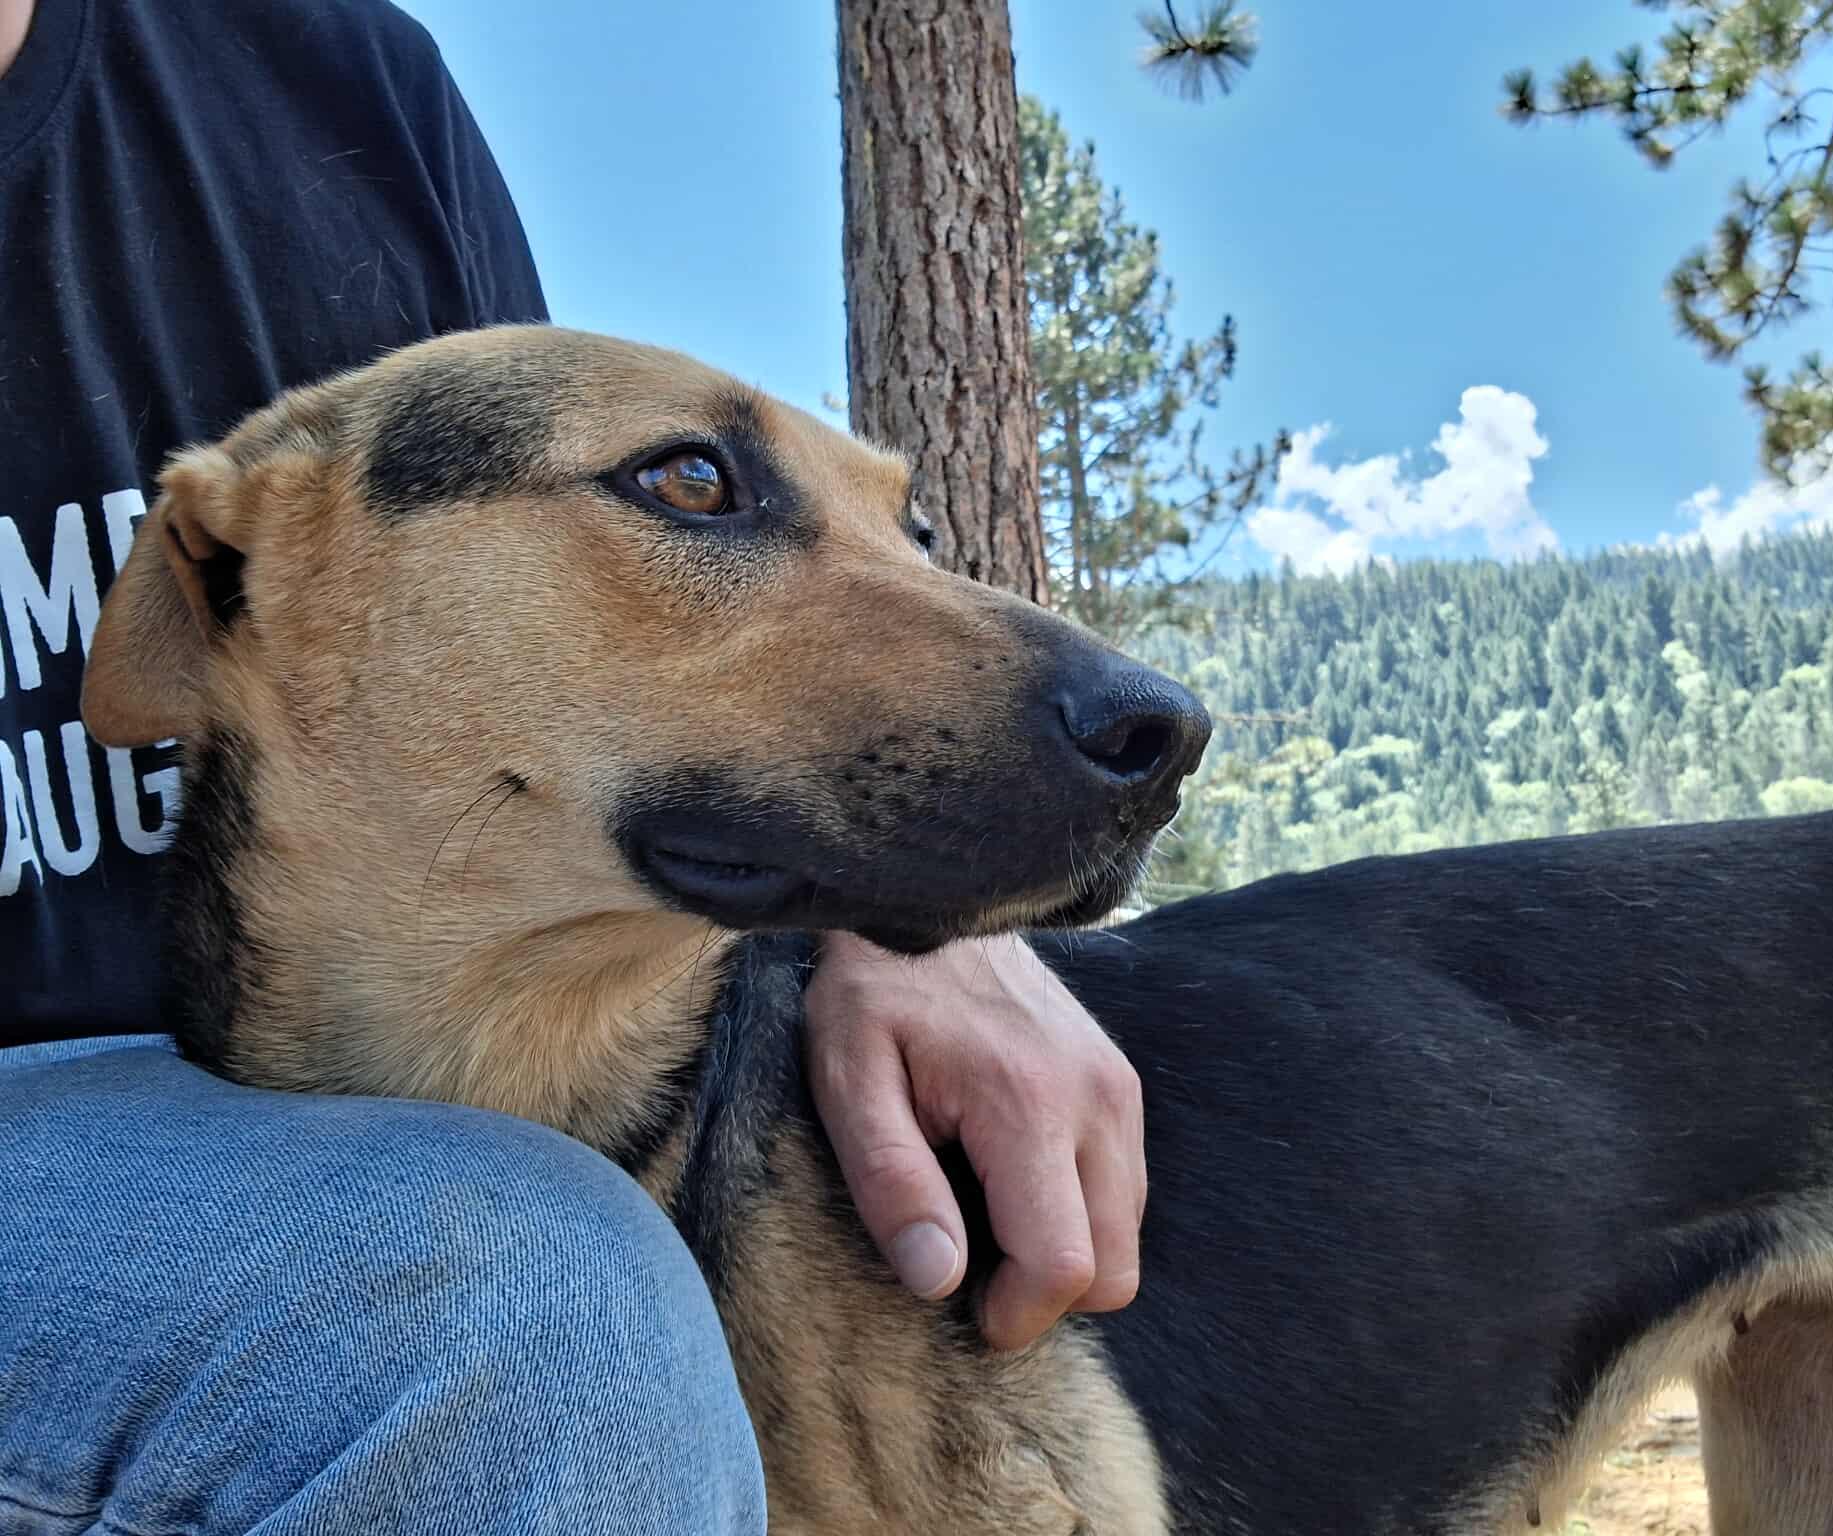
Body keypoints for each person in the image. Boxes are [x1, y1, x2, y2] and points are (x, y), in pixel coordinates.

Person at [0, 0, 1147, 1529]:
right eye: (698, 488)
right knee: (526, 1312)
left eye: (908, 536)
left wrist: (912, 916)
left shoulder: (334, 78)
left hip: (381, 1087)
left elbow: (583, 617)